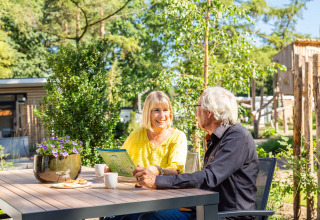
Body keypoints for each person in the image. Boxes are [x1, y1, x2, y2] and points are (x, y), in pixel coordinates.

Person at [133, 87, 259, 220]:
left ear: (209, 112)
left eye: (198, 107)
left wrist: (157, 181)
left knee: (150, 218)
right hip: (206, 209)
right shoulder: (217, 139)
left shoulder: (237, 137)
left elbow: (209, 177)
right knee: (133, 216)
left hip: (228, 215)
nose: (196, 112)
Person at [104, 91, 188, 220]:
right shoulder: (137, 134)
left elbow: (176, 172)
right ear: (147, 113)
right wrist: (112, 167)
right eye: (156, 110)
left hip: (167, 199)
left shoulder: (178, 137)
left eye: (165, 110)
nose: (162, 115)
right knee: (114, 217)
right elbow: (121, 158)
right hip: (137, 197)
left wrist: (158, 170)